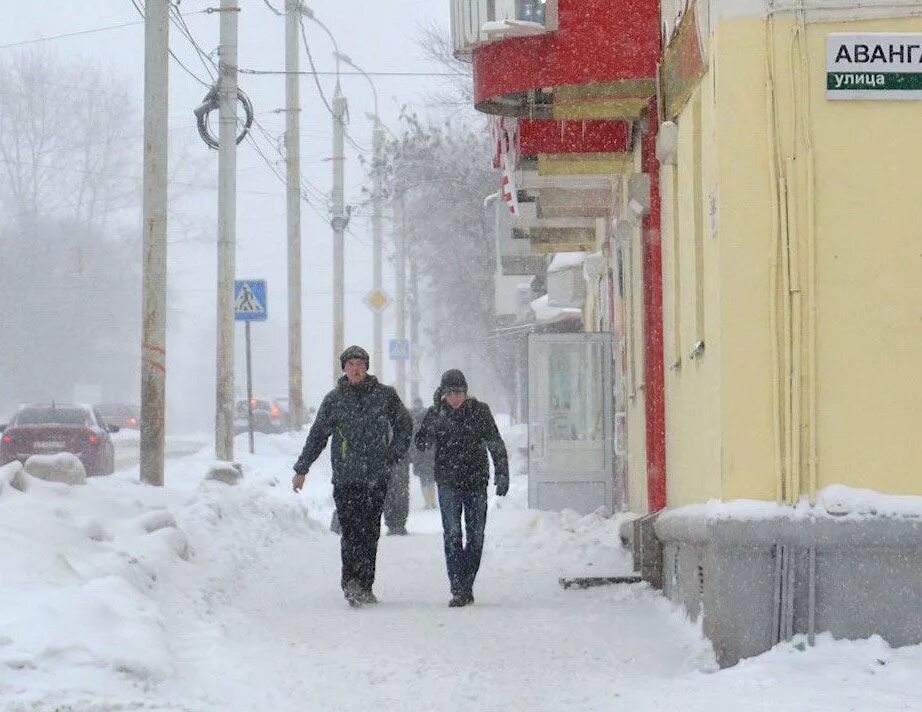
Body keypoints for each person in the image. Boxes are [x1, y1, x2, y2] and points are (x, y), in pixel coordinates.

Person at [292, 345, 412, 607]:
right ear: (344, 369)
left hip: (377, 477)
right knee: (351, 532)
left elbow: (405, 424)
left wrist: (393, 453)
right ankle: (351, 583)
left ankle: (366, 584)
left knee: (370, 532)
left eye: (360, 364)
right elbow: (318, 436)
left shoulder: (385, 396)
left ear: (366, 367)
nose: (356, 369)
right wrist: (302, 468)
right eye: (351, 365)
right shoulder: (334, 400)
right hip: (347, 478)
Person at [416, 369, 509, 607]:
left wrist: (502, 473)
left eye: (459, 393)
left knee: (476, 535)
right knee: (453, 534)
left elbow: (495, 443)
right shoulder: (437, 413)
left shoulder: (480, 412)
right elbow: (421, 442)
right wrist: (433, 418)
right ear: (443, 394)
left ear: (466, 392)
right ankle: (459, 587)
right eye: (450, 393)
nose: (455, 398)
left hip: (476, 481)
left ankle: (466, 581)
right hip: (448, 482)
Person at [408, 397, 437, 509]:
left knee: (429, 478)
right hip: (420, 453)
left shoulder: (425, 417)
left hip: (427, 452)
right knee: (424, 478)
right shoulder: (411, 417)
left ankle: (432, 501)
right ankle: (428, 501)